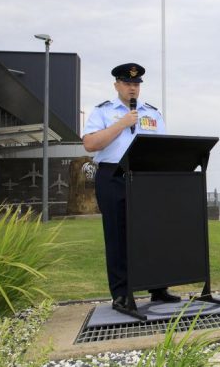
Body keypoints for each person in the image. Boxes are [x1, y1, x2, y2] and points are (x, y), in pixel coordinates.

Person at [82, 63, 181, 316]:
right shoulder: (103, 111)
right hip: (113, 176)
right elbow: (91, 144)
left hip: (145, 176)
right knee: (117, 236)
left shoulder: (152, 113)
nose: (132, 88)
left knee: (152, 234)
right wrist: (122, 124)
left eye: (136, 84)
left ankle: (158, 288)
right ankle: (121, 294)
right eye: (127, 83)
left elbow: (162, 146)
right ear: (117, 85)